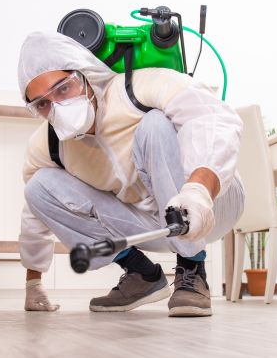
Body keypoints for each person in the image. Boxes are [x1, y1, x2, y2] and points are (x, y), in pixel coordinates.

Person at [18, 32, 245, 317]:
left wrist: (199, 190)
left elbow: (211, 118)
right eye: (42, 103)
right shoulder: (49, 145)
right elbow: (34, 211)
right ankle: (142, 275)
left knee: (155, 123)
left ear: (85, 75)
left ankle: (192, 269)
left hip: (212, 201)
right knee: (38, 186)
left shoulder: (135, 89)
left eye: (63, 89)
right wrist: (33, 282)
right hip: (152, 224)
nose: (57, 108)